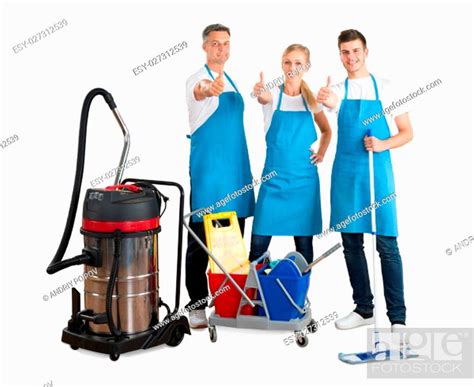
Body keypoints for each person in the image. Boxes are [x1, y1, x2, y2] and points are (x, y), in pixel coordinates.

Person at [317, 29, 413, 331]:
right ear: (340, 54)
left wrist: (383, 143)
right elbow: (330, 111)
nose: (351, 58)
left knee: (387, 244)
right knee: (351, 243)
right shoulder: (338, 89)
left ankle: (397, 318)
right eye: (345, 52)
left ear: (366, 51)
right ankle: (363, 309)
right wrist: (329, 102)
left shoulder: (386, 87)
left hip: (377, 172)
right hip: (346, 172)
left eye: (356, 51)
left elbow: (407, 132)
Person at [185, 24, 255, 328]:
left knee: (232, 245)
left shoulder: (234, 83)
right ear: (204, 47)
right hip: (210, 175)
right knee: (200, 242)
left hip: (235, 172)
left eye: (226, 44)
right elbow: (201, 91)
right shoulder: (197, 80)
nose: (221, 49)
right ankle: (197, 306)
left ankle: (229, 302)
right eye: (215, 44)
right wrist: (209, 88)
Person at [249, 44, 331, 264]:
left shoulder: (312, 100)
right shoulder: (274, 94)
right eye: (287, 62)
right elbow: (263, 97)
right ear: (282, 64)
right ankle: (255, 296)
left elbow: (327, 130)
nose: (292, 67)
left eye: (298, 63)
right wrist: (259, 90)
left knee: (304, 246)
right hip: (273, 181)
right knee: (258, 245)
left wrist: (321, 152)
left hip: (304, 182)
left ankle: (297, 295)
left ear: (306, 67)